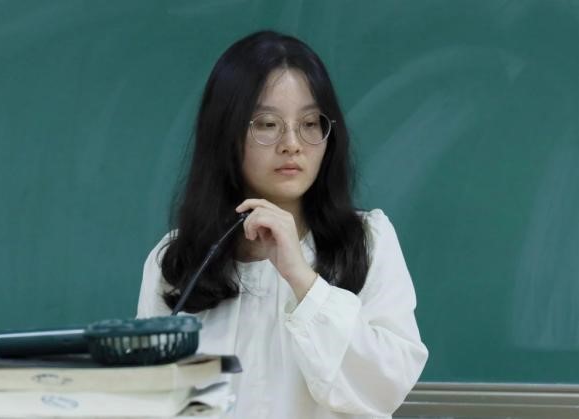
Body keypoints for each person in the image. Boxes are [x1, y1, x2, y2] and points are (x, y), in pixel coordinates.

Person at [137, 31, 428, 419]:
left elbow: (385, 387)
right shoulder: (176, 261)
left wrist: (302, 279)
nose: (292, 143)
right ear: (225, 133)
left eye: (310, 123)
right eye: (267, 124)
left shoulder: (367, 242)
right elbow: (149, 397)